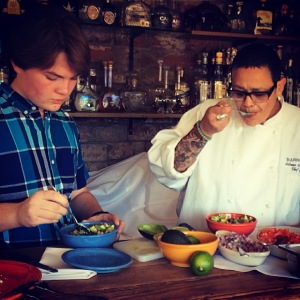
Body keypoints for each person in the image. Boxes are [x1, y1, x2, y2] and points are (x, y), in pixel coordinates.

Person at [0, 6, 124, 247]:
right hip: (12, 270)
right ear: (18, 63)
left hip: (69, 263)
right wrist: (17, 214)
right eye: (52, 77)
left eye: (73, 78)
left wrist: (96, 217)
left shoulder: (64, 122)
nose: (65, 90)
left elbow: (77, 193)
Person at [148, 43, 300, 231]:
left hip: (273, 255)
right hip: (201, 244)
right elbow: (167, 171)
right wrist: (203, 131)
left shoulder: (297, 124)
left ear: (279, 86)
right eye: (238, 92)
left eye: (259, 94)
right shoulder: (207, 112)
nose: (247, 103)